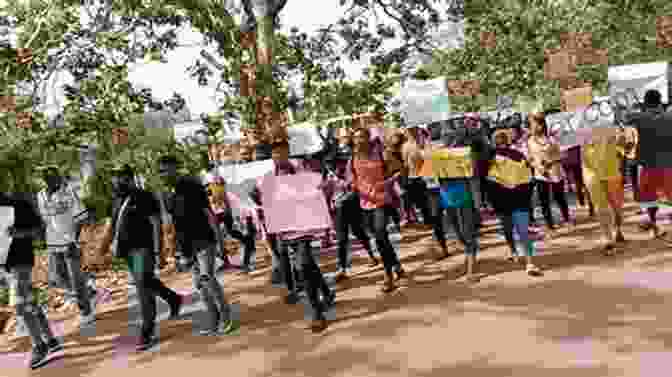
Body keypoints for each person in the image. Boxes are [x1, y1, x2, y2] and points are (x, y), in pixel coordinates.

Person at [157, 156, 236, 336]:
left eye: (166, 169)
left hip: (203, 239)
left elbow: (208, 212)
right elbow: (171, 223)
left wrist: (220, 243)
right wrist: (173, 249)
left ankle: (226, 317)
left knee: (207, 277)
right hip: (185, 246)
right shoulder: (166, 194)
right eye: (160, 171)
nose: (163, 174)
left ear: (175, 168)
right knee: (199, 284)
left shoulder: (192, 185)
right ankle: (213, 321)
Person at [263, 139, 335, 332]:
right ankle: (327, 293)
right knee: (308, 264)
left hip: (304, 226)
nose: (280, 156)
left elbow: (317, 191)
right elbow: (264, 201)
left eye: (283, 152)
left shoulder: (301, 171)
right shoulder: (269, 178)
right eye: (276, 153)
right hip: (286, 229)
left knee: (303, 264)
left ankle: (316, 312)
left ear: (288, 152)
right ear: (272, 156)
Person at [109, 165, 183, 349]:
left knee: (143, 286)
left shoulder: (144, 196)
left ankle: (147, 330)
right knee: (146, 281)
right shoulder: (117, 199)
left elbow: (155, 223)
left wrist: (159, 252)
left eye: (119, 177)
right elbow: (113, 225)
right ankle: (173, 298)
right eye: (114, 177)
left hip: (143, 248)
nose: (116, 181)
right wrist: (106, 247)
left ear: (129, 178)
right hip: (127, 251)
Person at [1, 191, 63, 369]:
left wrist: (19, 233)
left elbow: (39, 228)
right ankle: (51, 339)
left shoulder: (19, 204)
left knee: (19, 303)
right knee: (29, 302)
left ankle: (39, 345)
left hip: (21, 258)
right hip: (6, 263)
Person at [37, 166, 96, 329]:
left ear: (59, 177)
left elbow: (81, 218)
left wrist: (74, 241)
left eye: (54, 176)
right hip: (52, 243)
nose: (50, 179)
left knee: (76, 278)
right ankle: (89, 293)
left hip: (70, 243)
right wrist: (43, 237)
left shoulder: (69, 193)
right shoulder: (40, 195)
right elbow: (46, 219)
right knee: (60, 278)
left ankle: (86, 312)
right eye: (46, 176)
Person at [349, 127, 406, 293]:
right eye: (356, 138)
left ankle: (388, 276)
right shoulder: (352, 159)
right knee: (381, 239)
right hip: (365, 203)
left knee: (381, 235)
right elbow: (352, 180)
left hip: (382, 202)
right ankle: (396, 265)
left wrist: (387, 183)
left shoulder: (382, 154)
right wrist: (353, 186)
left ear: (368, 139)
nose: (359, 141)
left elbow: (401, 170)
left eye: (362, 137)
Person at [486, 129, 542, 275]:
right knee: (523, 231)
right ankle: (529, 262)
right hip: (519, 198)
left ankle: (514, 252)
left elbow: (487, 181)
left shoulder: (490, 158)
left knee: (508, 229)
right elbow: (529, 178)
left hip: (502, 201)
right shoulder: (518, 155)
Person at [328, 128, 379, 282]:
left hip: (353, 200)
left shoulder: (354, 156)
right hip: (338, 203)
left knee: (358, 231)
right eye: (340, 136)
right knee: (342, 237)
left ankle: (371, 255)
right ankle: (342, 268)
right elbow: (327, 181)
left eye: (345, 137)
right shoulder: (329, 159)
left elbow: (355, 178)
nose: (342, 139)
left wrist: (348, 184)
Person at [625, 89, 672, 239]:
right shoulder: (669, 117)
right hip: (668, 165)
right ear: (660, 101)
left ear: (645, 103)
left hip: (648, 166)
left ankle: (654, 226)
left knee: (650, 198)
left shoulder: (637, 118)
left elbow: (627, 116)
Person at [581, 125, 627, 254]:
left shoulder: (613, 128)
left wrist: (621, 140)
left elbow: (624, 148)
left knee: (616, 206)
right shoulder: (580, 130)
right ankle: (608, 238)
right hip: (591, 173)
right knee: (600, 206)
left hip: (611, 170)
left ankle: (618, 229)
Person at [527, 112, 572, 235]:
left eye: (535, 124)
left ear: (542, 125)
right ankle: (549, 225)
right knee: (544, 200)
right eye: (531, 125)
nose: (533, 127)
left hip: (555, 172)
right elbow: (529, 158)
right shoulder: (530, 141)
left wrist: (551, 161)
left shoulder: (552, 139)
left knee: (560, 197)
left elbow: (564, 154)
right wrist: (538, 167)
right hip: (540, 174)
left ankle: (567, 219)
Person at [402, 126, 432, 226]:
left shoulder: (424, 142)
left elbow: (429, 157)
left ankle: (431, 219)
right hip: (413, 177)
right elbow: (405, 163)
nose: (412, 132)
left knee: (428, 200)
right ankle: (428, 219)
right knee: (421, 203)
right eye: (409, 130)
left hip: (426, 175)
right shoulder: (405, 146)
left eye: (414, 129)